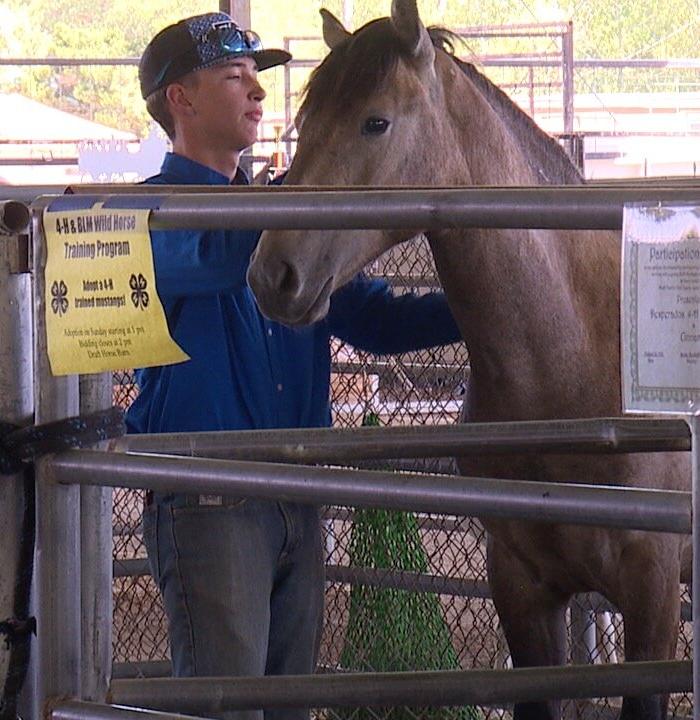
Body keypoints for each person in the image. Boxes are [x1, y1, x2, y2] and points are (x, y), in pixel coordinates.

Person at [128, 13, 462, 720]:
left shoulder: (289, 225)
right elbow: (222, 260)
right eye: (234, 76)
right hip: (208, 494)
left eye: (257, 76)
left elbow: (374, 319)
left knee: (285, 705)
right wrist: (308, 190)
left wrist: (481, 306)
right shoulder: (144, 216)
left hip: (293, 493)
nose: (256, 91)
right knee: (227, 705)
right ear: (179, 101)